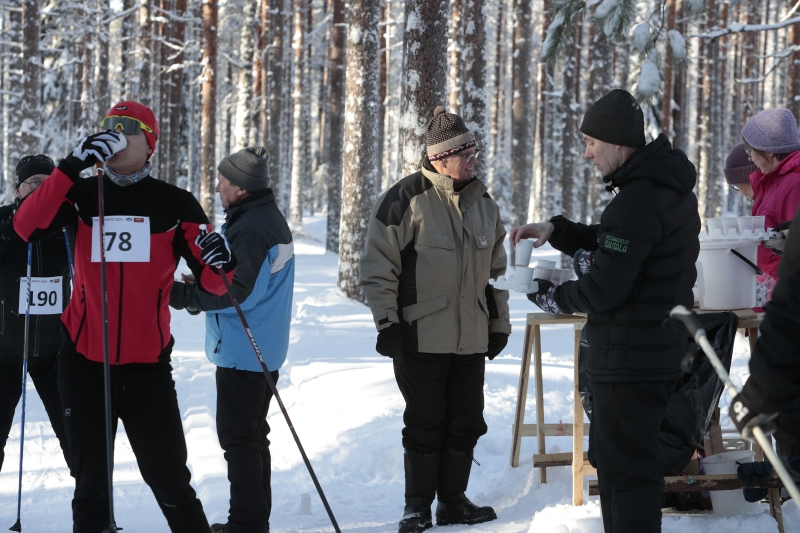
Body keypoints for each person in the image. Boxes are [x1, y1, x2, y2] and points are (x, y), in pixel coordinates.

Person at [13, 100, 235, 532]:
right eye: (109, 123)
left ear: (149, 143)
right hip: (82, 365)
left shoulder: (177, 204)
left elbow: (218, 286)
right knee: (91, 484)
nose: (115, 130)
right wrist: (70, 167)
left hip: (146, 368)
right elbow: (26, 226)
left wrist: (223, 261)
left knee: (169, 479)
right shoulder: (79, 194)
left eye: (128, 126)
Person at [510, 89, 700, 533]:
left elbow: (604, 290)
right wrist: (556, 230)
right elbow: (619, 241)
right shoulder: (661, 190)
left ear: (617, 142)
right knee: (622, 469)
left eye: (592, 143)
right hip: (651, 355)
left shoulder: (638, 200)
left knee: (627, 475)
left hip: (631, 362)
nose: (587, 154)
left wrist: (549, 294)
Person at [360, 106, 511, 533]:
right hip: (419, 335)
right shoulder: (406, 199)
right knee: (425, 421)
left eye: (475, 150)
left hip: (471, 337)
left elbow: (495, 275)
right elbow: (377, 266)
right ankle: (417, 507)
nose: (474, 158)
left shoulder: (485, 205)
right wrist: (387, 323)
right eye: (465, 152)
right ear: (440, 157)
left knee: (466, 418)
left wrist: (498, 325)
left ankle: (453, 501)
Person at [170, 146, 294, 533]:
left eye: (224, 182)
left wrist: (185, 297)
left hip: (246, 350)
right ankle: (253, 520)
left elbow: (238, 293)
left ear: (241, 188)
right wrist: (203, 282)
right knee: (253, 437)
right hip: (262, 346)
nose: (219, 187)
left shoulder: (252, 228)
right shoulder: (259, 217)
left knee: (239, 440)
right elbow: (243, 282)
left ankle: (247, 524)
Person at [0, 155, 71, 474]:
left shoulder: (66, 222)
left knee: (75, 435)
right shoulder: (3, 219)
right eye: (35, 183)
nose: (43, 190)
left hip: (53, 349)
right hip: (5, 349)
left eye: (49, 183)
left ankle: (93, 513)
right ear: (18, 190)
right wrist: (13, 225)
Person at [741, 108, 800, 282]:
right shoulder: (773, 182)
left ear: (769, 151)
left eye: (750, 150)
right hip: (768, 290)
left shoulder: (793, 184)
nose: (750, 158)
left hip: (783, 295)